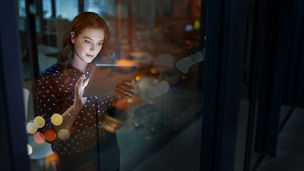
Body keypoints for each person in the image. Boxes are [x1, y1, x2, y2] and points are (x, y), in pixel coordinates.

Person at [33, 12, 135, 171]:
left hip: (108, 151)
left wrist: (124, 99)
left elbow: (115, 121)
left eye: (99, 43)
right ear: (73, 38)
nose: (94, 49)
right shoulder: (49, 79)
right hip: (74, 159)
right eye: (88, 41)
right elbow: (48, 134)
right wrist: (76, 106)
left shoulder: (102, 72)